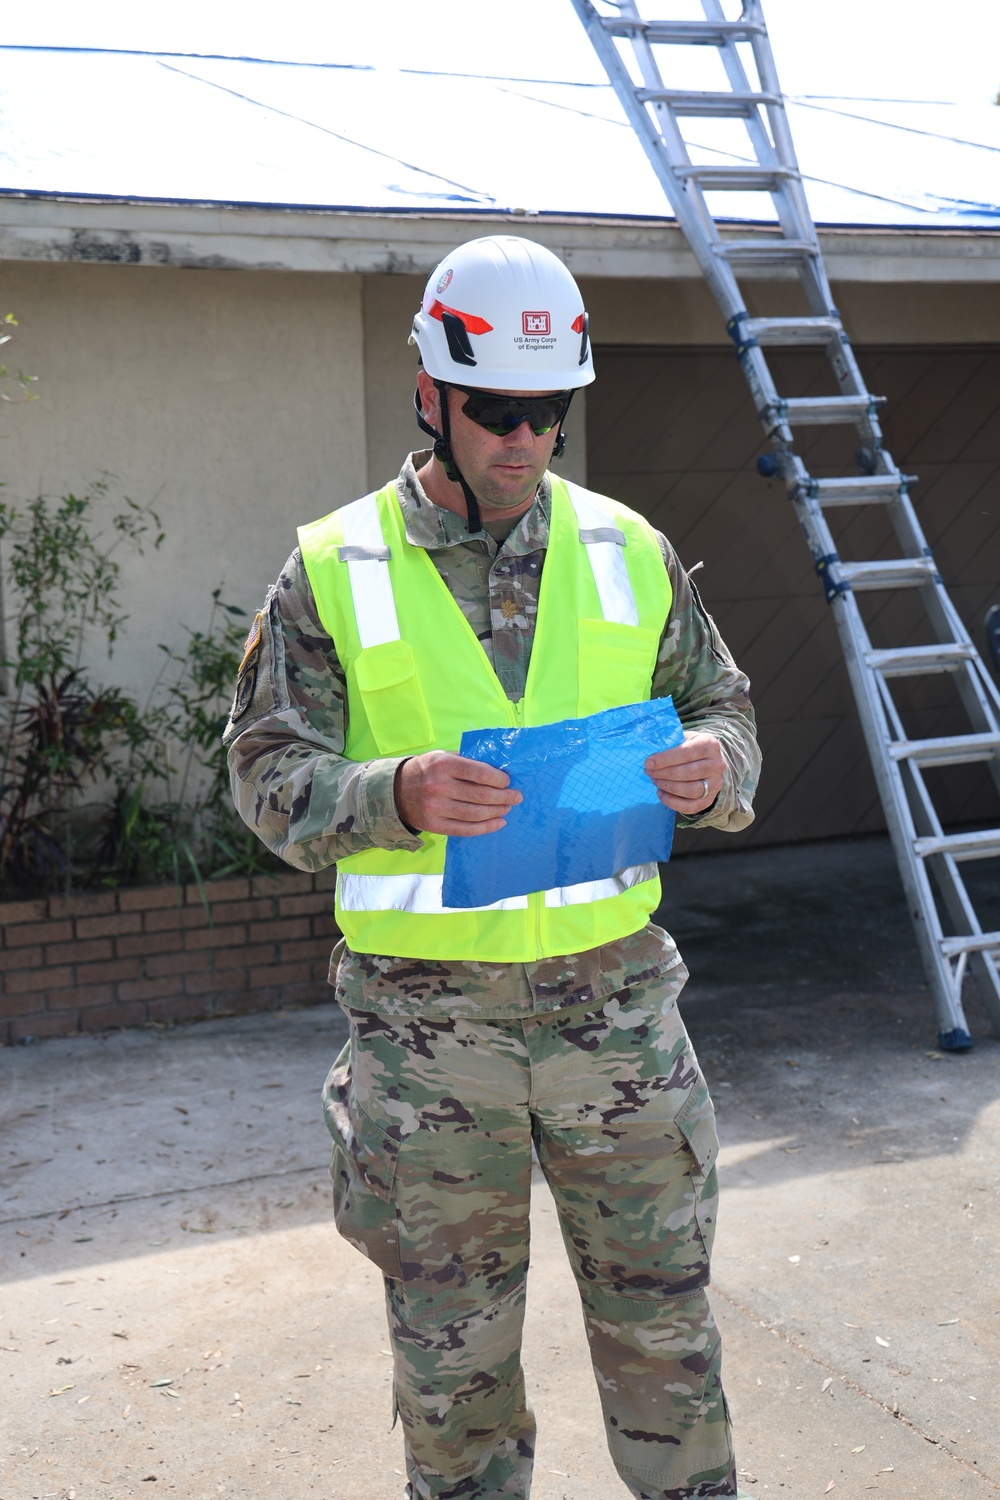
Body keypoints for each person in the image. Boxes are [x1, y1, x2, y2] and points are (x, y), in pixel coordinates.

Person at [224, 234, 760, 1500]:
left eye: (547, 412)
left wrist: (712, 768)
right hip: (428, 1037)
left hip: (618, 1017)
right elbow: (259, 772)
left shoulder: (631, 549)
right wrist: (389, 793)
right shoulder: (334, 568)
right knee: (452, 1374)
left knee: (667, 1345)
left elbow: (725, 706)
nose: (523, 440)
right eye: (496, 411)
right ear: (431, 393)